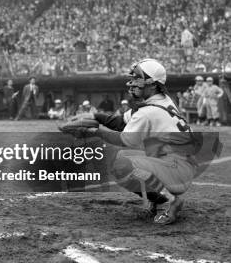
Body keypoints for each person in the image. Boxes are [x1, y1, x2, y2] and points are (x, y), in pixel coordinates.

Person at [85, 58, 200, 225]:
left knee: (122, 165)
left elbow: (125, 139)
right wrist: (95, 116)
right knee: (124, 156)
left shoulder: (148, 111)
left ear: (153, 84)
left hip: (177, 169)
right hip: (181, 163)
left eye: (138, 77)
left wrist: (96, 131)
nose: (132, 82)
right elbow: (121, 122)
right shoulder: (161, 99)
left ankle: (171, 200)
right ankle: (159, 198)